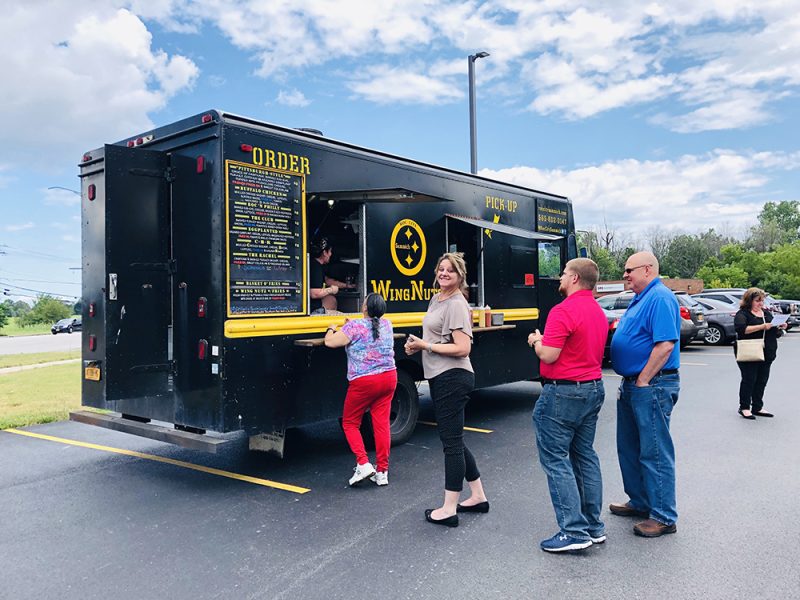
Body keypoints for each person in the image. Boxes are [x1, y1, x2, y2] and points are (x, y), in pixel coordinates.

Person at [527, 258, 608, 553]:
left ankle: (573, 531)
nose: (559, 278)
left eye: (563, 273)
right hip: (593, 388)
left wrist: (537, 340)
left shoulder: (562, 311)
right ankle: (593, 526)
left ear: (574, 278)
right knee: (584, 455)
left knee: (556, 459)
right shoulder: (597, 311)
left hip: (563, 393)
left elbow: (548, 355)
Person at [404, 252, 488, 527]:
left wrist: (426, 346)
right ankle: (477, 495)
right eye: (441, 269)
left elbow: (463, 347)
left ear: (460, 276)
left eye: (450, 271)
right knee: (455, 439)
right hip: (442, 376)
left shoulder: (456, 303)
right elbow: (436, 336)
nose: (444, 274)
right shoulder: (437, 298)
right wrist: (419, 344)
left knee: (451, 443)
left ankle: (449, 508)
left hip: (453, 377)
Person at [609, 251, 681, 538]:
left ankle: (664, 515)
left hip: (652, 385)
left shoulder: (660, 297)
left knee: (654, 451)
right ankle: (640, 501)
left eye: (629, 270)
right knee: (629, 447)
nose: (625, 275)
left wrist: (643, 380)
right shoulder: (641, 298)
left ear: (648, 270)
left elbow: (664, 345)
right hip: (634, 384)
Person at [324, 293, 397, 486]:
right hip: (389, 377)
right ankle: (382, 472)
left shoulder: (354, 327)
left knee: (350, 423)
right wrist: (351, 324)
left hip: (364, 382)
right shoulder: (387, 324)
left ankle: (363, 463)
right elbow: (367, 328)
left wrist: (331, 328)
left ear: (365, 307)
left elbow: (330, 342)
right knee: (381, 425)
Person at [734, 287, 787, 419]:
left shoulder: (766, 314)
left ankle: (757, 406)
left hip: (766, 352)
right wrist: (762, 326)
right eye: (758, 301)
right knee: (749, 379)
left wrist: (780, 326)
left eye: (762, 301)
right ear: (749, 300)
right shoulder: (743, 314)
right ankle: (744, 407)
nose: (761, 304)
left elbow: (773, 330)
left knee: (762, 380)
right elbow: (742, 329)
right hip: (749, 351)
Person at [309, 238, 355, 314]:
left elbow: (327, 281)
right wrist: (330, 290)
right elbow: (314, 293)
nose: (331, 254)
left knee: (331, 299)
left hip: (317, 307)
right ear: (324, 253)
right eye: (330, 251)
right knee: (343, 317)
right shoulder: (315, 267)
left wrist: (347, 286)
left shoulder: (317, 266)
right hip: (314, 311)